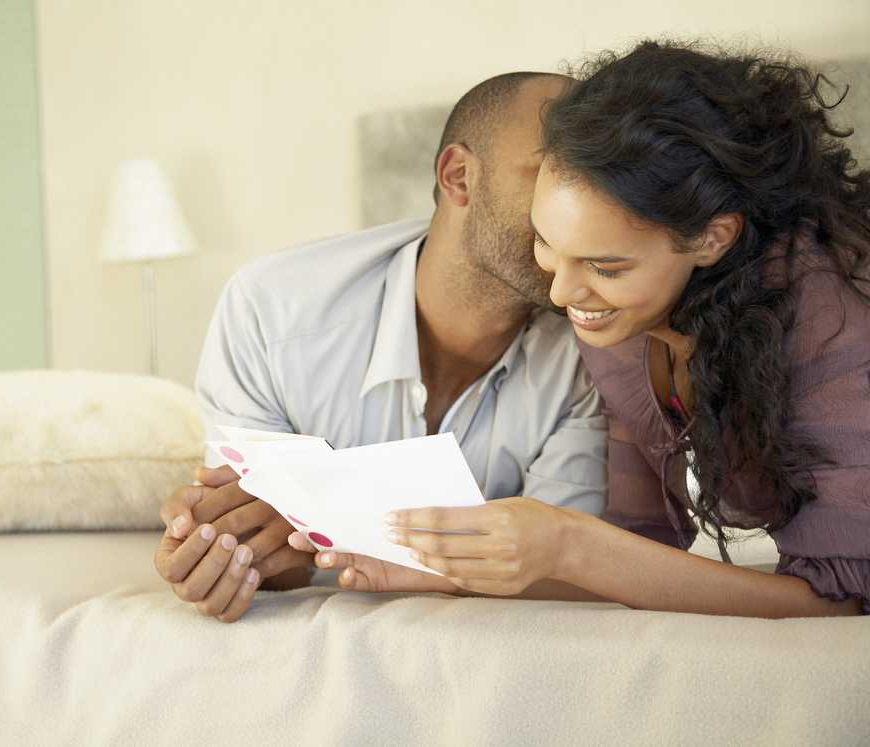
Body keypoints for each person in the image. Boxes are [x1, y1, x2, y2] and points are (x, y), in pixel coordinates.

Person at [317, 40, 870, 618]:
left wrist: (569, 542)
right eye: (547, 246)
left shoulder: (829, 321)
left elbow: (844, 603)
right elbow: (642, 550)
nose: (561, 295)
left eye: (605, 266)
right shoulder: (623, 329)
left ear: (713, 237)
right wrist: (452, 573)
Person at [152, 72, 610, 622]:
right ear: (458, 176)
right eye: (550, 175)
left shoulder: (597, 347)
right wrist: (230, 551)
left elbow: (563, 573)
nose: (585, 210)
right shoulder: (271, 310)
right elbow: (265, 547)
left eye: (599, 182)